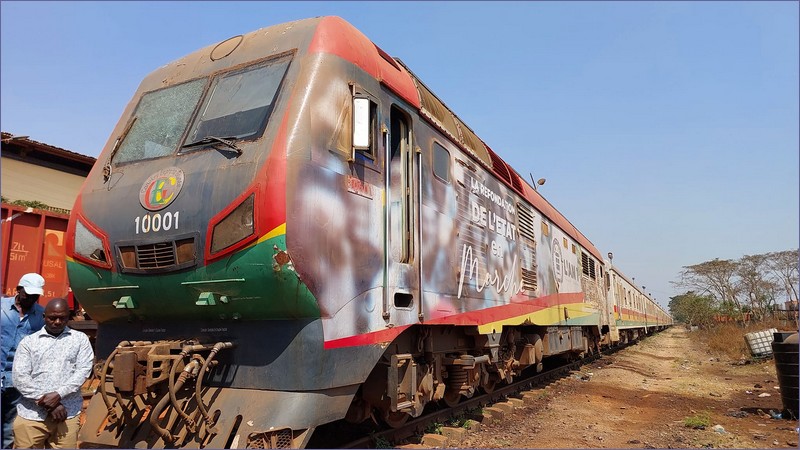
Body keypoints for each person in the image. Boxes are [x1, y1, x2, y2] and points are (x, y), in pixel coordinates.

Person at [11, 298, 94, 449]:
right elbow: (19, 378)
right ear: (44, 317)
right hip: (31, 416)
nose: (57, 322)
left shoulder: (80, 340)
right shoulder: (29, 342)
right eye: (52, 317)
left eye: (62, 318)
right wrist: (50, 405)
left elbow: (83, 371)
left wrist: (58, 395)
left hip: (67, 415)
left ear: (68, 317)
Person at [1, 273, 46, 449]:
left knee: (9, 427)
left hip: (16, 380)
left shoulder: (42, 315)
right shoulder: (2, 307)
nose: (31, 298)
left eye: (36, 295)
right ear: (18, 290)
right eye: (28, 293)